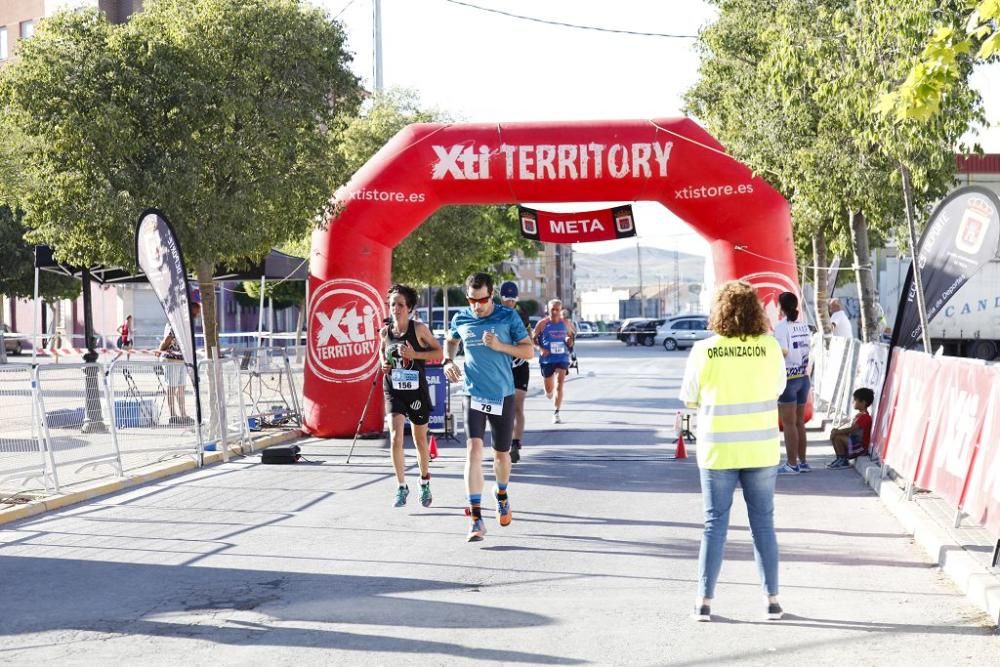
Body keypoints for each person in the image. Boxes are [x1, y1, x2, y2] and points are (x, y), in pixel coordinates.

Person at [679, 280, 788, 622]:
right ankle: (771, 600)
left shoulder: (704, 350)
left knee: (714, 525)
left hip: (718, 450)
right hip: (760, 448)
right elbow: (778, 388)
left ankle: (703, 602)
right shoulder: (769, 347)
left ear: (719, 311)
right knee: (763, 525)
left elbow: (689, 398)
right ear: (755, 311)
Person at [444, 272, 534, 542]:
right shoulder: (461, 317)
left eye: (481, 299)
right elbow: (451, 339)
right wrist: (448, 361)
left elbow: (529, 351)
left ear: (491, 294)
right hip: (473, 393)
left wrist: (500, 345)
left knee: (501, 456)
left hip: (502, 395)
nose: (476, 305)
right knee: (473, 450)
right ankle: (475, 518)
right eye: (472, 299)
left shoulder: (508, 317)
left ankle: (502, 493)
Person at [380, 284, 443, 508]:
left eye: (400, 305)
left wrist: (415, 354)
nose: (395, 309)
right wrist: (384, 365)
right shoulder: (385, 332)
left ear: (409, 308)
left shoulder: (419, 329)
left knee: (419, 440)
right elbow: (382, 354)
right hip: (393, 389)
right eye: (392, 305)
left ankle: (424, 480)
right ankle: (400, 486)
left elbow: (439, 352)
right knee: (396, 436)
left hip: (416, 391)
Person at [775, 292, 813, 474]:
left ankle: (791, 463)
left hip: (788, 378)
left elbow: (783, 352)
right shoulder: (803, 325)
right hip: (804, 377)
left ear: (781, 307)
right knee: (799, 422)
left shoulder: (782, 327)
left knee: (788, 423)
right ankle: (803, 462)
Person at [499, 281, 532, 463]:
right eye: (506, 299)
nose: (510, 303)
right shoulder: (495, 315)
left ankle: (515, 443)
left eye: (513, 300)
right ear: (500, 298)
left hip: (519, 366)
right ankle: (503, 441)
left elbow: (530, 341)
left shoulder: (521, 315)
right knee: (504, 407)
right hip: (502, 367)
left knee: (518, 405)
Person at [532, 298, 575, 424]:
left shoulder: (566, 323)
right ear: (548, 310)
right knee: (549, 389)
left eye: (557, 309)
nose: (555, 312)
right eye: (553, 310)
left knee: (560, 383)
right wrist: (540, 349)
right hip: (547, 360)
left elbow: (571, 337)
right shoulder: (542, 323)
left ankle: (556, 412)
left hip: (562, 357)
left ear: (561, 310)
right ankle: (549, 392)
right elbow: (533, 339)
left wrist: (568, 340)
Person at [158, 299, 201, 426]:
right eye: (195, 312)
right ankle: (173, 415)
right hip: (171, 359)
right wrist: (160, 351)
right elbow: (167, 340)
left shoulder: (186, 323)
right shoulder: (176, 322)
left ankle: (183, 414)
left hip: (182, 360)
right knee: (171, 388)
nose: (197, 315)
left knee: (181, 388)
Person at [827, 387, 875, 469]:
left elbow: (852, 429)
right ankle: (840, 458)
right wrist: (836, 431)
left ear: (863, 402)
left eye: (855, 400)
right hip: (854, 444)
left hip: (860, 448)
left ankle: (843, 460)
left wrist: (837, 432)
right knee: (835, 435)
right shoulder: (858, 416)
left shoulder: (865, 417)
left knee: (838, 436)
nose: (853, 402)